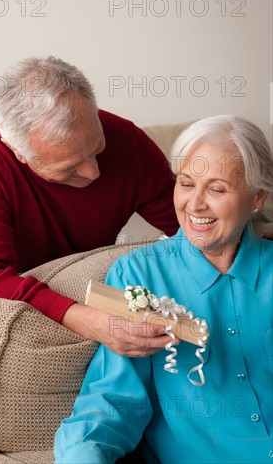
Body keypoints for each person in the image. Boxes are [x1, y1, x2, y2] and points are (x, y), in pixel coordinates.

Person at [54, 115, 273, 464]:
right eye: (186, 184)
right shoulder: (138, 274)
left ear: (257, 198)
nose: (195, 204)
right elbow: (112, 401)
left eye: (216, 189)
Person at [0, 56, 179, 355]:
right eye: (70, 166)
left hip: (73, 282)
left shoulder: (129, 141)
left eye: (97, 148)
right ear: (18, 152)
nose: (93, 172)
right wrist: (87, 320)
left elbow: (187, 224)